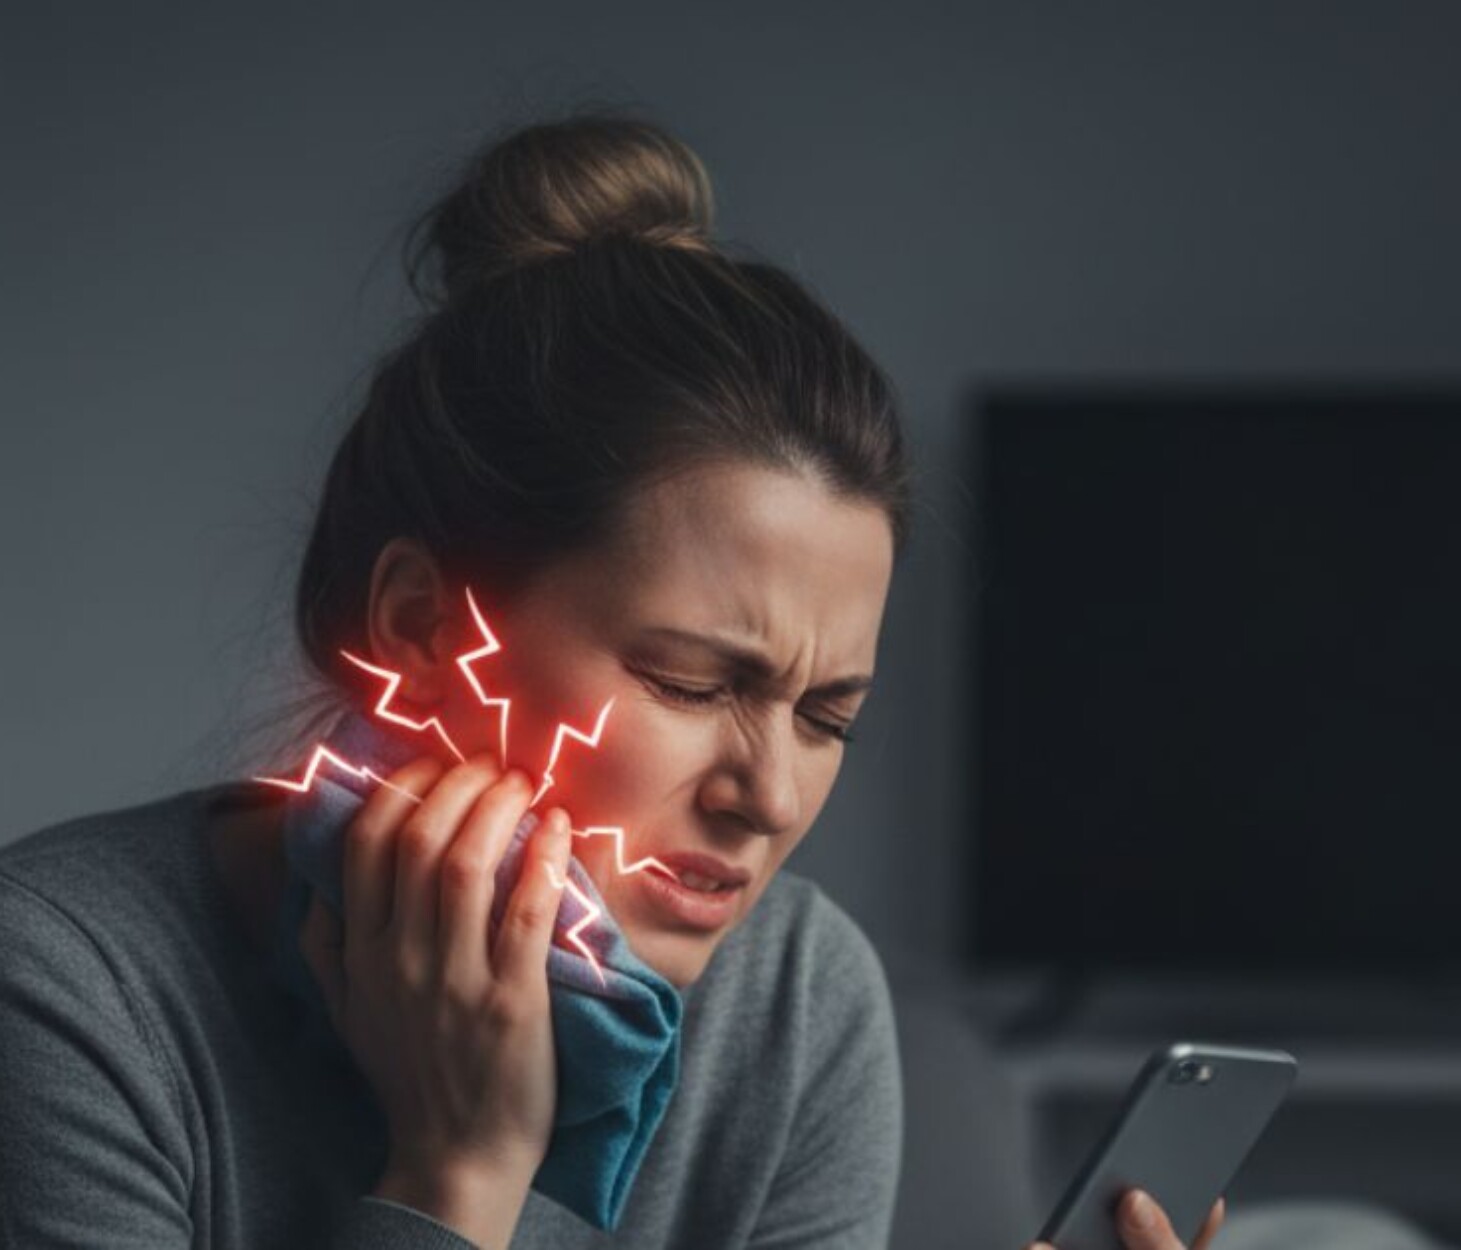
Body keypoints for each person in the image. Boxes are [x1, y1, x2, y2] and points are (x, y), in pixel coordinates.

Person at [0, 110, 1218, 1250]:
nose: (772, 796)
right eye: (692, 682)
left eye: (827, 715)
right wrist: (459, 1166)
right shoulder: (64, 990)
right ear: (423, 620)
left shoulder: (791, 998)